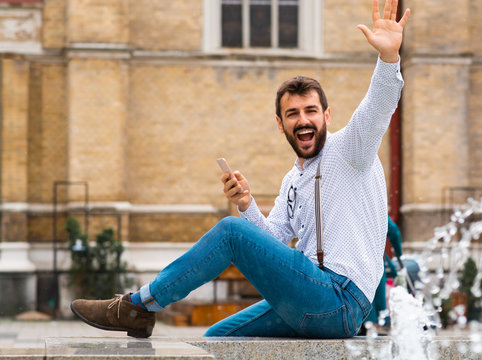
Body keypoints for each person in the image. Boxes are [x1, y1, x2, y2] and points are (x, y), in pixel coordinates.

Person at [70, 0, 410, 339]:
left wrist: (388, 57)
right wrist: (246, 204)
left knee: (231, 232)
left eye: (311, 111)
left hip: (340, 297)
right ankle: (144, 310)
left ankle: (137, 306)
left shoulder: (352, 149)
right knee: (219, 338)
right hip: (310, 295)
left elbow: (378, 107)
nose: (303, 120)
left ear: (327, 116)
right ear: (281, 124)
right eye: (293, 114)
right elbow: (273, 239)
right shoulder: (293, 179)